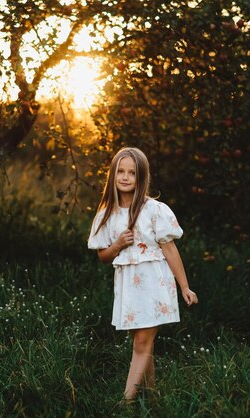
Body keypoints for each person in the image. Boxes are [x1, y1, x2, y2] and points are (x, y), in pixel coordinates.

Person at [87, 147, 198, 401]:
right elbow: (103, 257)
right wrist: (117, 245)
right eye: (120, 172)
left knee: (141, 344)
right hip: (128, 286)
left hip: (154, 283)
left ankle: (125, 403)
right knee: (141, 342)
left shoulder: (154, 210)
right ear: (113, 175)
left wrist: (184, 287)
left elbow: (169, 249)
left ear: (141, 177)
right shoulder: (107, 214)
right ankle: (154, 397)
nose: (125, 177)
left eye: (132, 173)